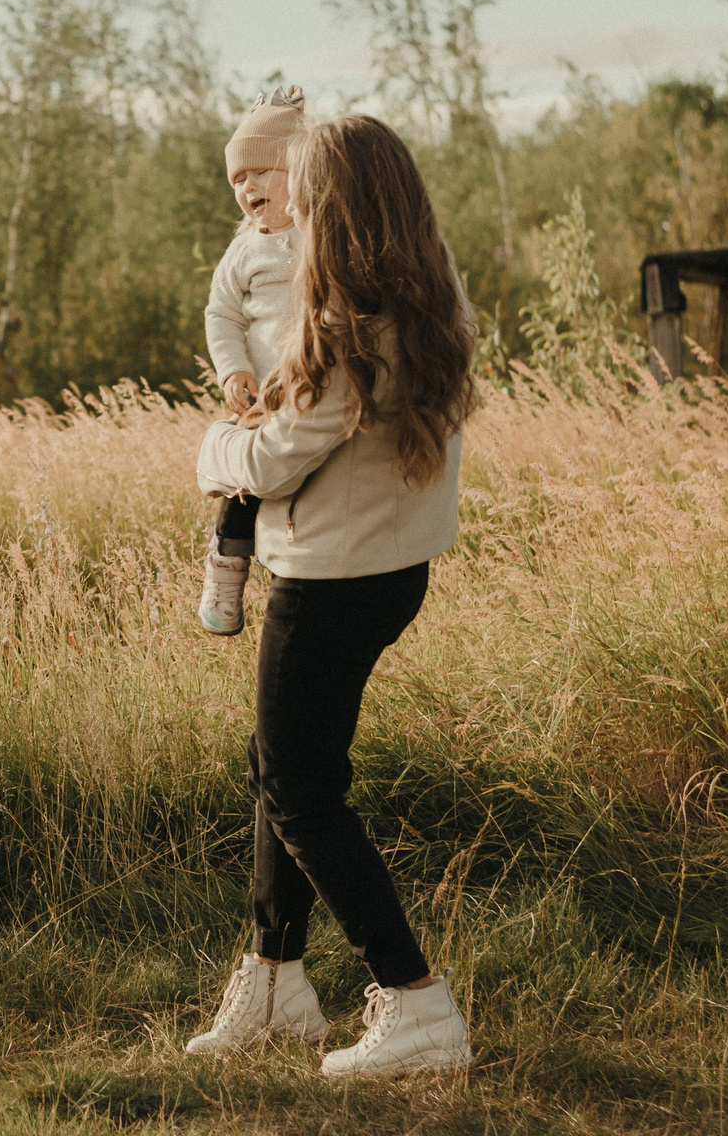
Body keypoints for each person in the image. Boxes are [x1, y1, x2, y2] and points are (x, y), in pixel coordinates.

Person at [184, 114, 481, 1077]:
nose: (293, 211)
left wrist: (212, 449)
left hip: (330, 579)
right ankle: (277, 982)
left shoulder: (350, 325)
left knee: (300, 790)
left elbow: (271, 460)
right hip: (391, 567)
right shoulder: (432, 296)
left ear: (338, 206)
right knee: (281, 762)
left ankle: (416, 1004)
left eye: (306, 194)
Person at [198, 86, 307, 637]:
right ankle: (225, 572)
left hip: (311, 388)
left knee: (302, 485)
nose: (248, 187)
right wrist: (232, 369)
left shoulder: (321, 235)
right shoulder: (244, 250)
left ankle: (292, 570)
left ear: (300, 172)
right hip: (260, 397)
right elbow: (221, 315)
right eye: (239, 180)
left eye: (261, 172)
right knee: (242, 488)